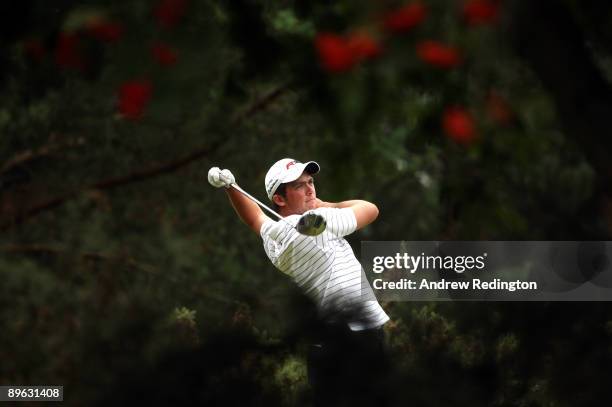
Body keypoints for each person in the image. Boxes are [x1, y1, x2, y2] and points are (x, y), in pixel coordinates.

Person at [208, 158, 391, 405]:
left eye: (311, 181)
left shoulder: (274, 237)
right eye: (299, 186)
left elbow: (254, 219)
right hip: (357, 337)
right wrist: (329, 204)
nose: (310, 190)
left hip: (322, 345)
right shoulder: (313, 223)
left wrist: (231, 187)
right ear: (280, 199)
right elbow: (370, 209)